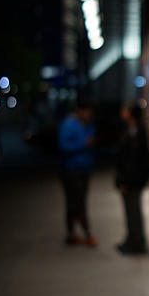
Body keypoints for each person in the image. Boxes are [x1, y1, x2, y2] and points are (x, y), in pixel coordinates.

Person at [58, 99, 97, 246]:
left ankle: (73, 233)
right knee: (75, 202)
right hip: (71, 170)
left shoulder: (89, 124)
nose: (89, 115)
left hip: (85, 168)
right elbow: (63, 146)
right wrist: (83, 144)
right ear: (80, 111)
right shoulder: (68, 124)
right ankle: (84, 233)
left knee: (79, 201)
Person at [115, 103, 149, 254]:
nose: (122, 112)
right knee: (130, 211)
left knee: (133, 210)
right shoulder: (131, 130)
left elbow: (133, 160)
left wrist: (125, 181)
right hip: (131, 178)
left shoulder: (136, 132)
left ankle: (137, 242)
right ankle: (132, 239)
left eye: (125, 109)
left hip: (133, 180)